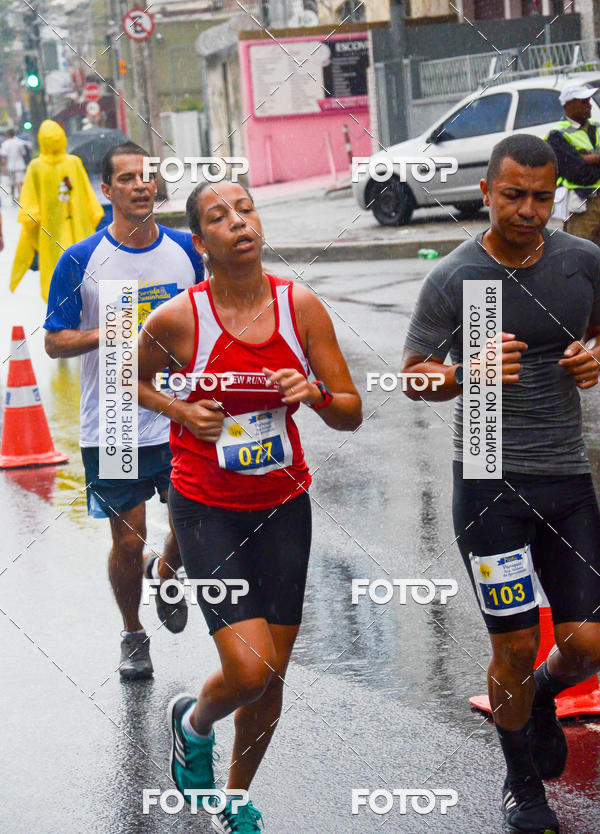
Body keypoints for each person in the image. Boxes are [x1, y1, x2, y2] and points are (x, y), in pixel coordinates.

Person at [136, 178, 362, 832]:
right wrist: (180, 409)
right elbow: (137, 379)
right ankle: (193, 721)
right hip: (205, 504)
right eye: (219, 216)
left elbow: (350, 411)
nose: (239, 222)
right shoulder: (180, 318)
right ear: (201, 240)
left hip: (283, 504)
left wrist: (315, 391)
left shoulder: (302, 309)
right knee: (247, 666)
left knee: (270, 679)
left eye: (245, 209)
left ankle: (234, 800)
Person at [401, 134, 600, 834]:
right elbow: (413, 374)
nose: (527, 209)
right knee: (512, 646)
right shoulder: (457, 277)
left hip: (567, 478)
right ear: (485, 192)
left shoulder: (582, 263)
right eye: (513, 195)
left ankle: (542, 695)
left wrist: (594, 358)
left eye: (542, 197)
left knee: (587, 643)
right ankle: (522, 783)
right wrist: (463, 374)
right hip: (489, 481)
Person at [44, 141, 204, 680]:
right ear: (106, 190)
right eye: (128, 178)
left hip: (177, 414)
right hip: (112, 419)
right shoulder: (80, 260)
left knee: (192, 523)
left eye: (149, 176)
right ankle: (133, 633)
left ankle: (168, 569)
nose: (142, 185)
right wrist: (109, 332)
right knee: (126, 536)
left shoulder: (187, 250)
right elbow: (55, 342)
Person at [10, 120, 104, 302]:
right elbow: (91, 204)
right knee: (83, 278)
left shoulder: (36, 167)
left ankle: (65, 323)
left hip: (50, 238)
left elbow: (30, 211)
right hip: (80, 236)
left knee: (57, 279)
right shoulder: (74, 163)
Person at [546, 82, 600, 241]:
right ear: (569, 104)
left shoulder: (597, 128)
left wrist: (589, 159)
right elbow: (579, 173)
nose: (589, 105)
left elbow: (581, 168)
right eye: (584, 101)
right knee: (584, 255)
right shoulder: (557, 135)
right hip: (582, 205)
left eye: (589, 101)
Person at [0, 128, 27, 199]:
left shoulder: (5, 144)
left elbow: (4, 157)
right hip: (20, 165)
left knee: (12, 181)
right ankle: (20, 195)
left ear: (8, 135)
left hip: (10, 166)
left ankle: (13, 195)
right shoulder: (20, 143)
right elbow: (23, 154)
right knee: (19, 181)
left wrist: (3, 167)